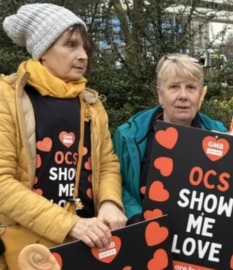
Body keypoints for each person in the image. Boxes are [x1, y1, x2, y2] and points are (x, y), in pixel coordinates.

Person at [0, 4, 125, 270]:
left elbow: (107, 163)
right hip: (26, 251)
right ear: (43, 50)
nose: (83, 56)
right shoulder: (6, 97)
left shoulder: (91, 103)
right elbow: (2, 183)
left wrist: (110, 202)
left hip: (89, 246)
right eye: (70, 45)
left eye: (84, 48)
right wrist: (71, 224)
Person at [113, 54, 227, 225]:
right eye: (174, 87)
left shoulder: (221, 136)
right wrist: (135, 217)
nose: (183, 96)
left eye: (191, 87)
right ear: (160, 94)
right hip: (142, 236)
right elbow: (114, 183)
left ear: (200, 94)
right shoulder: (128, 135)